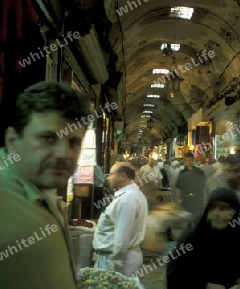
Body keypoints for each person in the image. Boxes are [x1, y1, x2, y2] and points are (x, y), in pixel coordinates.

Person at [0, 81, 90, 288]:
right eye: (48, 138)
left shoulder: (42, 190)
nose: (63, 154)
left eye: (74, 142)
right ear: (12, 140)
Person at [166, 187, 240, 289]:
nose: (216, 214)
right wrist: (205, 285)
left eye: (224, 208)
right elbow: (175, 272)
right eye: (212, 208)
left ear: (235, 212)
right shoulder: (193, 236)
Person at [93, 162, 148, 277]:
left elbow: (122, 239)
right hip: (121, 259)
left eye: (112, 174)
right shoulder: (132, 196)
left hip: (119, 263)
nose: (108, 178)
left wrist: (115, 267)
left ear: (122, 176)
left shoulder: (127, 200)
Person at [175, 152, 206, 219]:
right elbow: (179, 187)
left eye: (190, 160)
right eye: (186, 160)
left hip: (197, 199)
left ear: (193, 160)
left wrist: (203, 198)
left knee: (197, 218)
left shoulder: (199, 172)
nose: (188, 162)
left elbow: (203, 186)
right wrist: (179, 199)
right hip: (186, 199)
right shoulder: (182, 173)